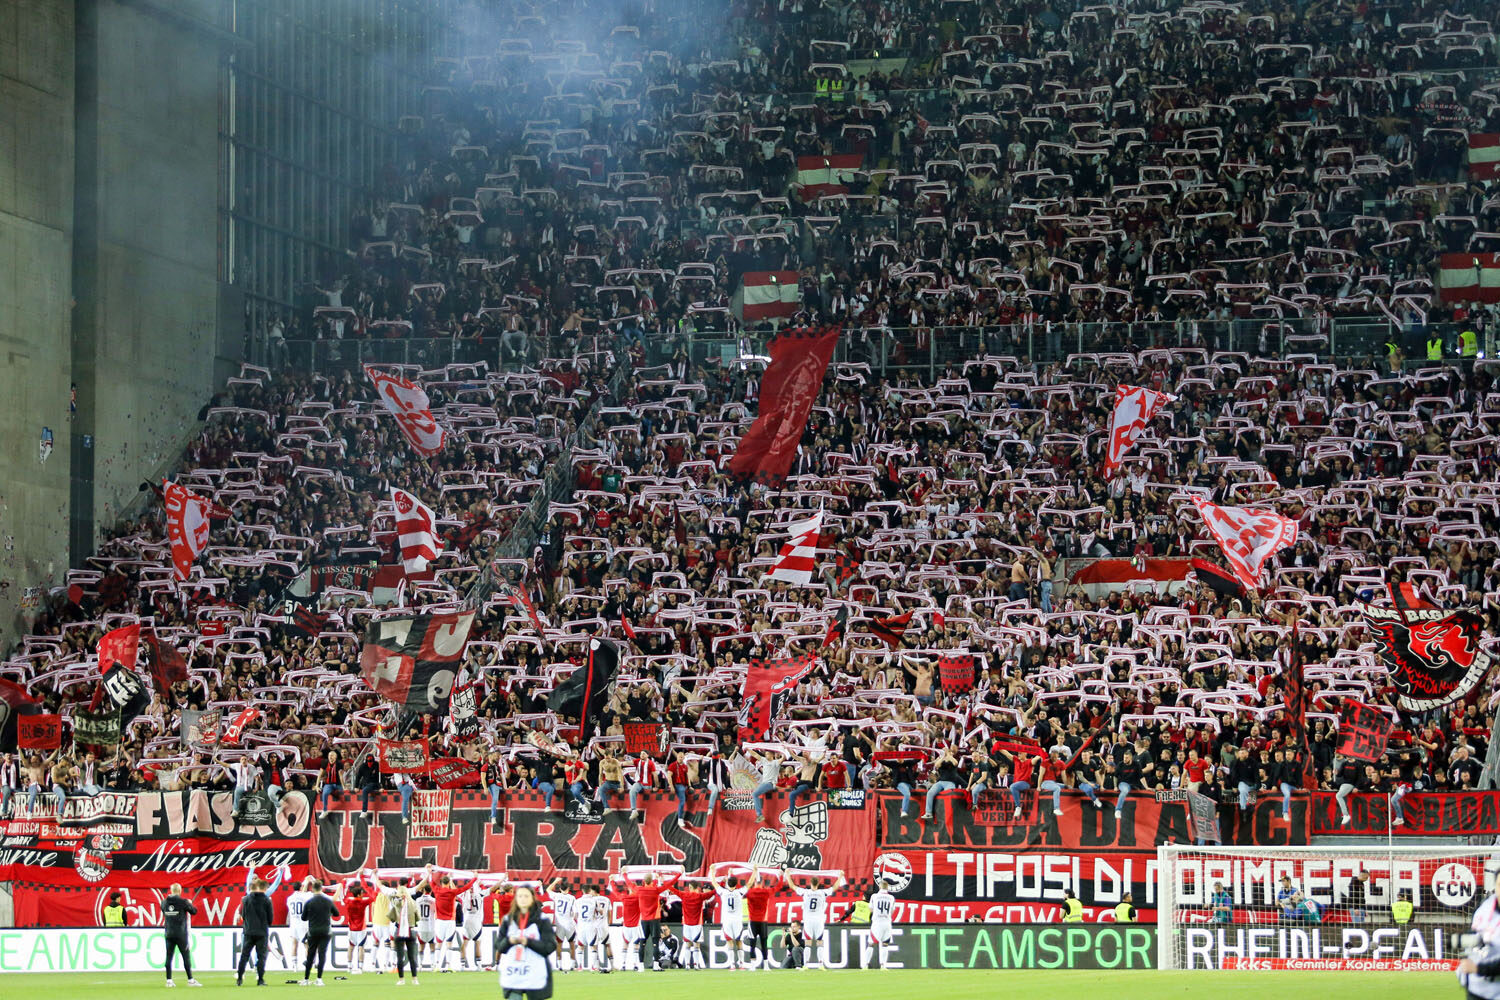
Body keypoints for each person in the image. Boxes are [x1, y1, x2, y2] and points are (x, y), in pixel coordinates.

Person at [497, 884, 556, 1000]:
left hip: (535, 972)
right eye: (520, 896)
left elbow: (550, 946)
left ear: (532, 898)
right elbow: (499, 946)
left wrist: (528, 942)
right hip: (514, 971)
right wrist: (509, 941)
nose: (522, 899)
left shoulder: (542, 920)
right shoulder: (509, 920)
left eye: (526, 896)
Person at [372, 872, 422, 985]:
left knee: (399, 956)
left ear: (398, 885)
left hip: (398, 930)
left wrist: (375, 875)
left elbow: (380, 886)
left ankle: (401, 979)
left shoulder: (393, 896)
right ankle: (414, 979)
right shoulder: (411, 899)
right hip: (411, 930)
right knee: (412, 956)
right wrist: (428, 874)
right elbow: (420, 886)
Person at [788, 870, 845, 968]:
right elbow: (835, 887)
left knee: (808, 943)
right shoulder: (822, 893)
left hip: (808, 920)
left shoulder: (805, 892)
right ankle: (821, 965)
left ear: (810, 883)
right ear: (818, 884)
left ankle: (805, 965)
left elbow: (792, 886)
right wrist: (840, 876)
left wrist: (787, 874)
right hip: (819, 920)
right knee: (819, 942)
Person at [426, 864, 477, 972]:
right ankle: (449, 965)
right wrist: (475, 878)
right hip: (450, 921)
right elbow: (465, 888)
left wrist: (429, 871)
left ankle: (437, 966)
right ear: (449, 883)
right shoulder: (452, 892)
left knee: (439, 943)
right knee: (449, 943)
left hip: (439, 921)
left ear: (441, 883)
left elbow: (430, 882)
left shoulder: (437, 890)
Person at [236, 869, 281, 986]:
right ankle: (260, 980)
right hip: (261, 932)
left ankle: (239, 978)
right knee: (261, 957)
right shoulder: (266, 899)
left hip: (248, 931)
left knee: (244, 956)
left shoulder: (245, 899)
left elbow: (243, 915)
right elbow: (270, 917)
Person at [633, 869, 681, 971]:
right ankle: (656, 965)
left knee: (642, 943)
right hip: (654, 920)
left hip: (644, 920)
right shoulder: (656, 890)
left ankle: (641, 966)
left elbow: (629, 883)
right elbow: (669, 884)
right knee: (655, 943)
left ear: (643, 881)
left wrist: (624, 874)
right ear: (652, 881)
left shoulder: (639, 890)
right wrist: (679, 874)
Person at [299, 879, 341, 986]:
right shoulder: (327, 901)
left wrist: (311, 916)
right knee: (322, 954)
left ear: (312, 889)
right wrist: (327, 914)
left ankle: (306, 979)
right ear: (321, 888)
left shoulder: (309, 902)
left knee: (310, 955)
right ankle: (319, 979)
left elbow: (303, 918)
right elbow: (336, 914)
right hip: (325, 930)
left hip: (313, 930)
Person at [162, 882, 201, 987]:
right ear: (179, 891)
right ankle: (190, 980)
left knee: (169, 956)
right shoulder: (183, 902)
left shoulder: (164, 902)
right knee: (185, 956)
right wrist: (189, 903)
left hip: (169, 932)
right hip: (180, 933)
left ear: (171, 891)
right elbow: (194, 911)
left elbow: (164, 911)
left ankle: (169, 980)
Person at [710, 869, 748, 970]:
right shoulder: (739, 892)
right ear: (736, 884)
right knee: (739, 941)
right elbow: (750, 883)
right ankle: (741, 964)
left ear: (728, 883)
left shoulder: (723, 892)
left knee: (729, 942)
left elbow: (714, 882)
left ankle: (732, 964)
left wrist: (712, 871)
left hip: (727, 921)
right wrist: (754, 871)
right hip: (737, 921)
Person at [674, 877, 715, 970]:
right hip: (697, 924)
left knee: (688, 944)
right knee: (696, 945)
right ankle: (696, 965)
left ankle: (687, 965)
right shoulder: (700, 896)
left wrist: (663, 882)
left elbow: (672, 889)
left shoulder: (684, 895)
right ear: (697, 887)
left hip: (687, 924)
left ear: (690, 887)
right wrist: (722, 883)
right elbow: (713, 892)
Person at [743, 867, 777, 969]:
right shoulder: (766, 892)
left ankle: (753, 966)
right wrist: (781, 875)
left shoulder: (749, 892)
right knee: (764, 944)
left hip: (752, 922)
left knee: (752, 944)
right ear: (762, 883)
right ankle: (766, 966)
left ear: (754, 882)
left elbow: (743, 888)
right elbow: (778, 887)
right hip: (763, 921)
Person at [342, 876, 375, 975]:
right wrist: (364, 882)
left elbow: (342, 896)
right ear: (359, 894)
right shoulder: (363, 902)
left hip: (351, 928)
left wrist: (344, 883)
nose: (363, 894)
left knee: (351, 947)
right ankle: (360, 967)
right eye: (362, 893)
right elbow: (373, 897)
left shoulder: (348, 901)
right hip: (361, 928)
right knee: (361, 947)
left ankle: (349, 966)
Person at [545, 877, 578, 973]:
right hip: (569, 924)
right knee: (572, 944)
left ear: (560, 889)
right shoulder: (572, 898)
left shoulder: (556, 896)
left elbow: (548, 889)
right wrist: (574, 918)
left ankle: (559, 964)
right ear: (568, 889)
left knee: (559, 944)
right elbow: (575, 913)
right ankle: (572, 965)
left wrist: (555, 881)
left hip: (559, 924)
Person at [867, 880, 896, 970]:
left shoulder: (874, 896)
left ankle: (865, 965)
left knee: (871, 944)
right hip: (887, 923)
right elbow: (892, 911)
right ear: (887, 888)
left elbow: (871, 909)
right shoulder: (891, 898)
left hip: (877, 923)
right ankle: (883, 965)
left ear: (880, 887)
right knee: (885, 944)